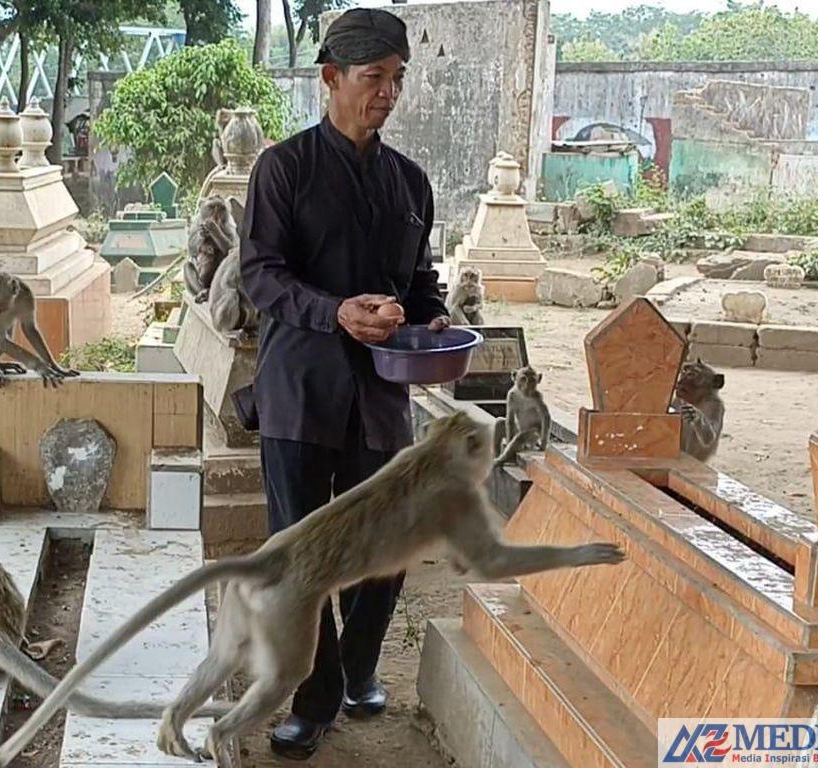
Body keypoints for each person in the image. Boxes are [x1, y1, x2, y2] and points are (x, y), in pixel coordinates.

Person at [239, 7, 450, 760]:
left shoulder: (410, 183)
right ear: (330, 78)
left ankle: (359, 668)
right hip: (300, 389)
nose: (387, 94)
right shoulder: (284, 169)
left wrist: (433, 324)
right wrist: (335, 312)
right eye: (373, 78)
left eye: (397, 79)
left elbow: (419, 285)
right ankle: (313, 697)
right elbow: (260, 276)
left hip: (382, 393)